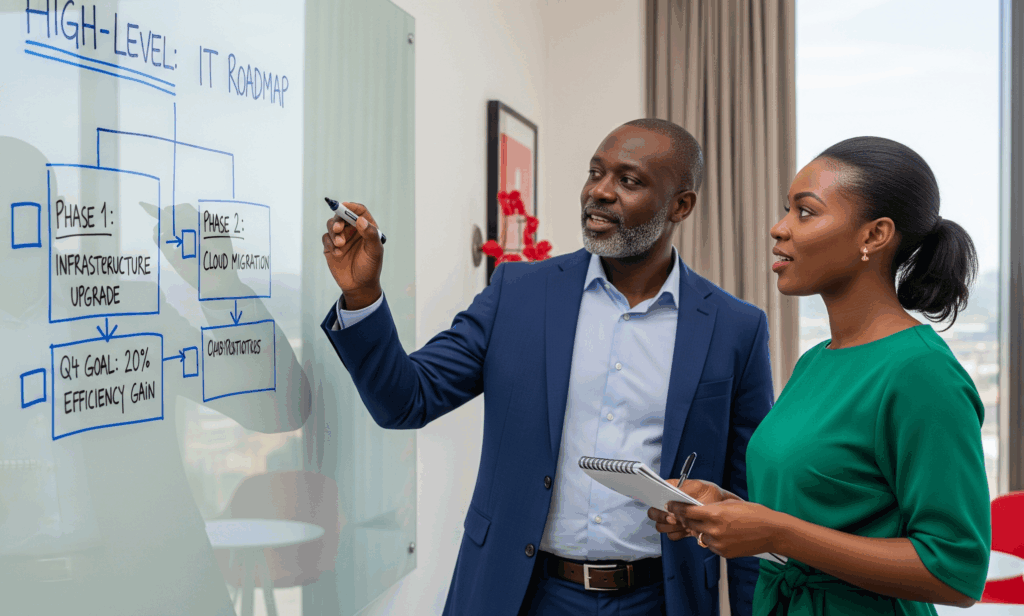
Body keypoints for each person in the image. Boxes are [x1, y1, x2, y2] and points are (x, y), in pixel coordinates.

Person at [320, 118, 774, 616]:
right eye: (595, 173)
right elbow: (406, 400)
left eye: (628, 180)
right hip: (523, 593)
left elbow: (747, 502)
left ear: (680, 205)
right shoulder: (517, 293)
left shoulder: (735, 327)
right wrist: (362, 296)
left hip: (663, 598)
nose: (599, 192)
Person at [649, 136, 992, 615]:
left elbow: (955, 573)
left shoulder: (921, 372)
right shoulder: (816, 360)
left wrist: (776, 532)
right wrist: (727, 511)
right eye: (786, 210)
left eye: (804, 212)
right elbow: (820, 511)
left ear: (874, 236)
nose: (779, 228)